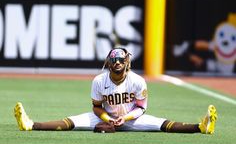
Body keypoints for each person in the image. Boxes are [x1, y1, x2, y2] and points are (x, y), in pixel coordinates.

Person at [14, 46, 218, 134]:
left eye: (121, 59)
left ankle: (200, 127)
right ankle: (31, 125)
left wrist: (125, 119)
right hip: (104, 117)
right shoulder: (98, 81)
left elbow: (141, 108)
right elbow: (95, 107)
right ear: (108, 63)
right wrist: (106, 117)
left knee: (162, 124)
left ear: (127, 62)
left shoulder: (138, 81)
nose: (118, 62)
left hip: (132, 118)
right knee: (72, 121)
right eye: (114, 59)